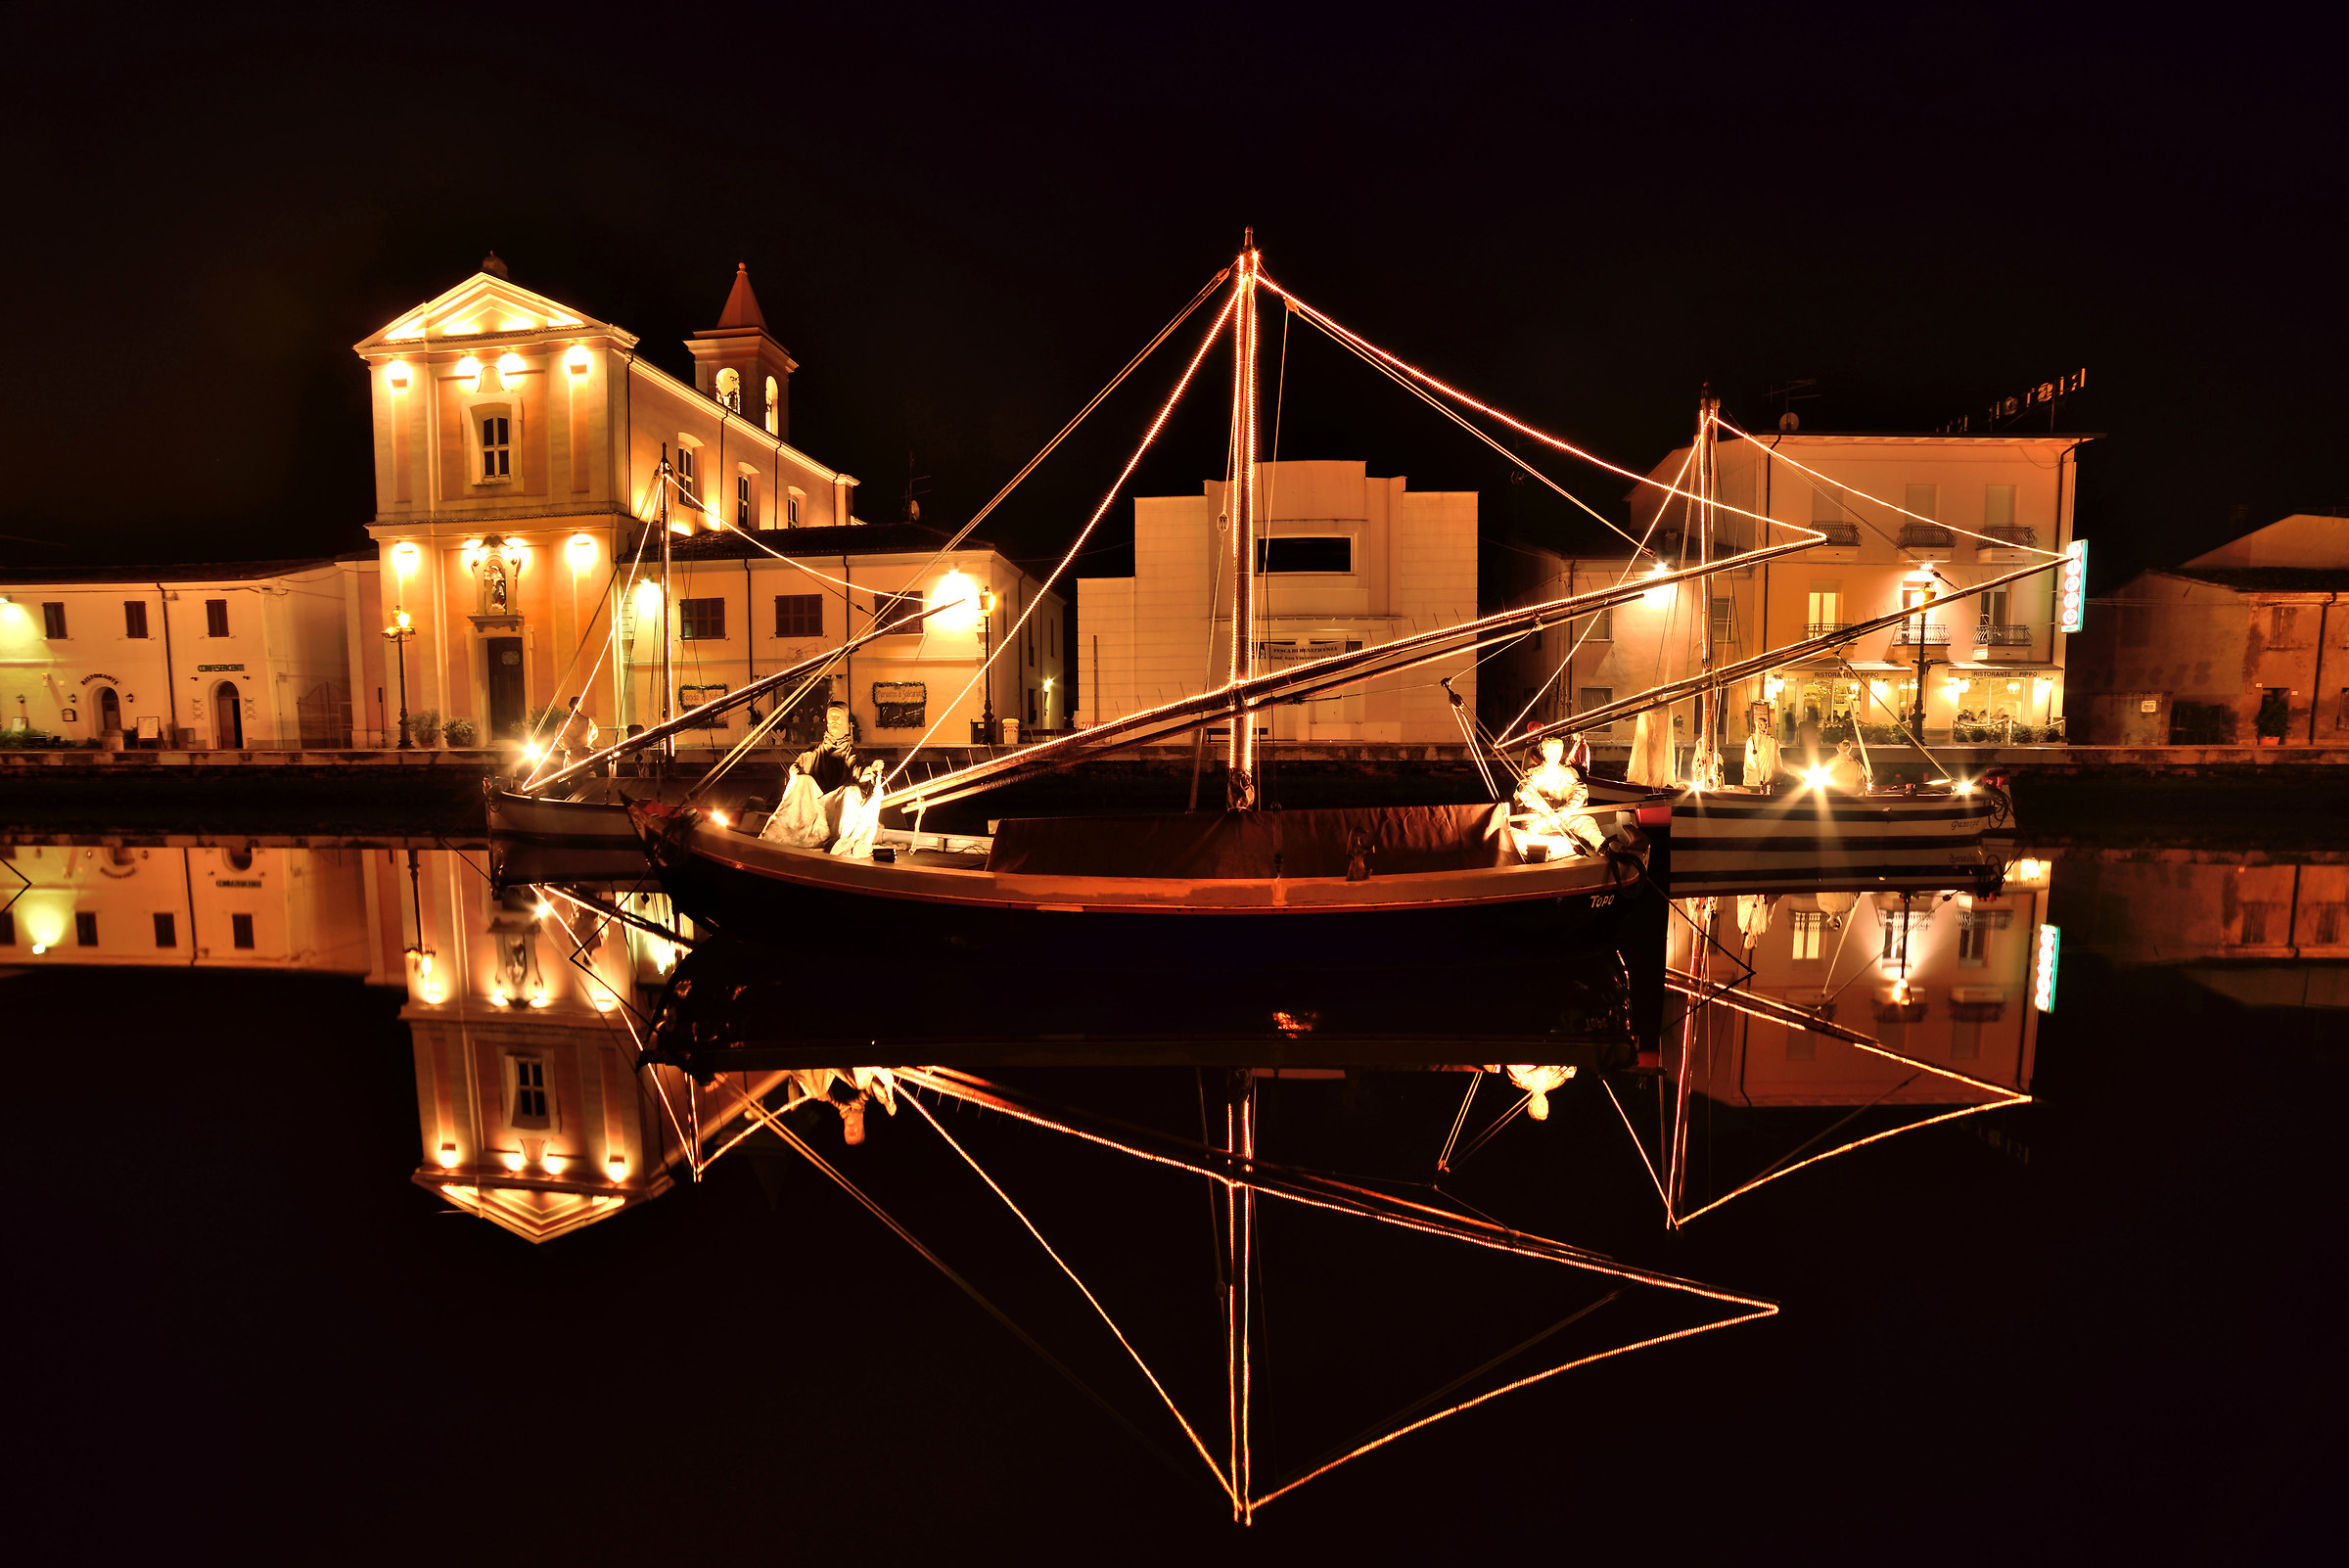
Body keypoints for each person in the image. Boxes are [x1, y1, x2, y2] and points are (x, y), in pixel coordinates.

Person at [1514, 736, 1608, 856]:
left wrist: (1566, 809)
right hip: (1540, 817)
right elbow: (1525, 792)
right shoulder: (1533, 773)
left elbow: (1581, 791)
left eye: (1559, 751)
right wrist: (1547, 811)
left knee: (1586, 822)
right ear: (1544, 752)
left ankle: (1603, 846)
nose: (1556, 754)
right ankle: (1535, 855)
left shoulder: (1569, 772)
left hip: (1564, 816)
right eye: (1553, 751)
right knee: (1530, 832)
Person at [795, 701, 858, 792]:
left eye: (838, 717)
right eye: (831, 717)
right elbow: (799, 766)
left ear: (845, 721)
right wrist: (795, 771)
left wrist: (870, 771)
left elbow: (859, 771)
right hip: (817, 801)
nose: (834, 720)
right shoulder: (815, 753)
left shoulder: (852, 754)